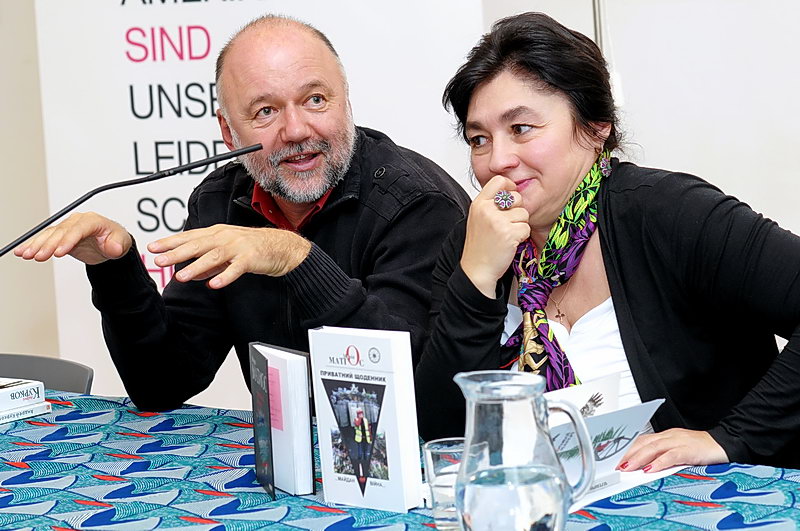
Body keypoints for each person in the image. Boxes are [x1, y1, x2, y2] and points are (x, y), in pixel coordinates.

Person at [15, 15, 469, 411]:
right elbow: (163, 383)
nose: (296, 130)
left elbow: (413, 390)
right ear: (229, 133)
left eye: (315, 99)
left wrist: (296, 258)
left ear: (346, 103)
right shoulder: (219, 203)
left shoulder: (417, 204)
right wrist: (114, 270)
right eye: (265, 111)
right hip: (279, 460)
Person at [415, 12, 800, 471]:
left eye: (521, 129)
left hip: (698, 497)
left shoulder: (667, 211)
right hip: (540, 494)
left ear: (596, 127)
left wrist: (732, 438)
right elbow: (444, 432)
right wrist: (476, 279)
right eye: (479, 139)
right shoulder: (473, 239)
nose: (497, 160)